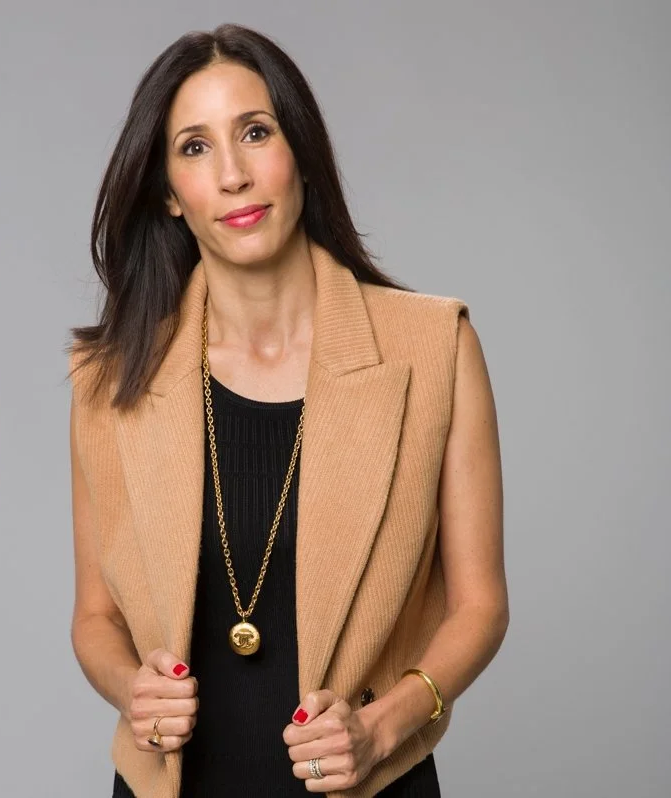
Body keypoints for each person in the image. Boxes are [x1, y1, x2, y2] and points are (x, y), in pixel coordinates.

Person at [67, 22, 508, 798]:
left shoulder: (435, 348)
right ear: (169, 193)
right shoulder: (112, 380)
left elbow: (479, 607)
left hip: (373, 783)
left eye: (255, 132)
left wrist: (388, 723)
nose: (233, 174)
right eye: (195, 148)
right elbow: (94, 620)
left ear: (299, 150)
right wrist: (130, 688)